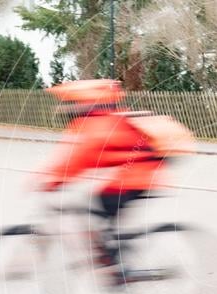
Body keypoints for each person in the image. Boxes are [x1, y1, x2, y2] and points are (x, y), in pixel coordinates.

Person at [40, 79, 195, 265]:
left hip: (139, 176)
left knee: (103, 203)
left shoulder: (100, 125)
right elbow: (72, 155)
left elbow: (80, 159)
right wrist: (53, 175)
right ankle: (112, 252)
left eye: (76, 102)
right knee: (99, 209)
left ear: (88, 102)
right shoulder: (102, 120)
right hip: (135, 174)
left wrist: (54, 180)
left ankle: (117, 266)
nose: (72, 107)